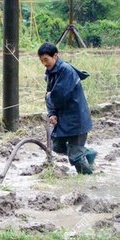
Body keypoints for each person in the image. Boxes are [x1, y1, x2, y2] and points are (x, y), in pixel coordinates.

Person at [37, 42, 97, 174]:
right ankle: (89, 153)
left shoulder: (66, 71)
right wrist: (52, 113)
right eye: (41, 61)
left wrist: (49, 97)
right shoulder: (50, 72)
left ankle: (89, 181)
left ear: (55, 56)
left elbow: (57, 96)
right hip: (64, 117)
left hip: (76, 118)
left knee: (75, 157)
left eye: (46, 59)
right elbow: (50, 94)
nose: (44, 63)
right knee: (57, 146)